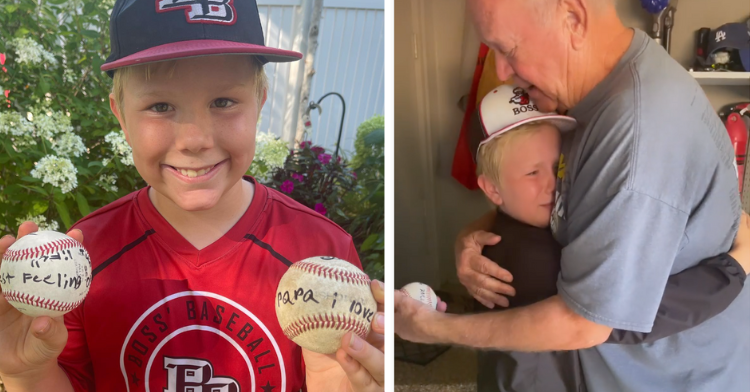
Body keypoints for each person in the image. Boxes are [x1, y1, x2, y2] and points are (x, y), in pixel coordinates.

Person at [0, 1, 384, 391]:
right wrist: (26, 374)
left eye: (223, 102)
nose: (195, 140)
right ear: (121, 116)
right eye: (160, 106)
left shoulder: (321, 247)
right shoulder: (84, 259)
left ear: (261, 102)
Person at [395, 0, 750, 391]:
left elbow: (587, 321)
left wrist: (434, 328)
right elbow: (573, 196)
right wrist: (475, 232)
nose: (500, 71)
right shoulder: (586, 98)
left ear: (574, 19)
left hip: (674, 376)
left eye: (508, 48)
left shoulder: (635, 135)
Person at [470, 84, 749, 391]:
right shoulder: (531, 262)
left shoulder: (530, 228)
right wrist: (732, 269)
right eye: (532, 174)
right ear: (492, 189)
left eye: (557, 166)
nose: (554, 185)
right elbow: (634, 315)